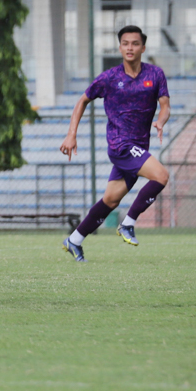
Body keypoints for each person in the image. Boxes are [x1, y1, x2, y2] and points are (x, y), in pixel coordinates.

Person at [60, 25, 171, 262]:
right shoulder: (109, 78)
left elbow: (165, 106)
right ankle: (128, 223)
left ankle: (75, 239)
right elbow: (82, 100)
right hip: (121, 145)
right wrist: (71, 134)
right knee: (161, 176)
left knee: (111, 200)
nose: (130, 48)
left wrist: (161, 121)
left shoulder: (155, 74)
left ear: (142, 47)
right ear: (120, 47)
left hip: (139, 147)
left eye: (135, 43)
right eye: (125, 43)